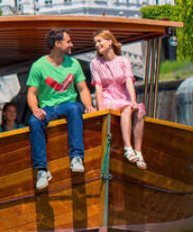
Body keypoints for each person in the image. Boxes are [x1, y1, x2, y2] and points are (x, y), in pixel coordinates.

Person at [27, 28, 94, 190]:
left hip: (67, 105)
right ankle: (42, 170)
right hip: (47, 107)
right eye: (68, 41)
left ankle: (76, 157)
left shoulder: (74, 64)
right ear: (57, 44)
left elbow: (83, 89)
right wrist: (35, 108)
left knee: (75, 108)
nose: (72, 45)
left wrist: (89, 106)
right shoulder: (39, 66)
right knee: (34, 121)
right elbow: (31, 93)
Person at [90, 30, 147, 170]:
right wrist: (100, 107)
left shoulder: (123, 60)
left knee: (139, 110)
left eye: (100, 41)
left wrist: (133, 100)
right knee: (127, 108)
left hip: (122, 96)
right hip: (107, 97)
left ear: (110, 41)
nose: (97, 45)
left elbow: (129, 82)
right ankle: (128, 147)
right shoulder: (95, 63)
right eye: (95, 43)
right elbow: (98, 87)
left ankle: (138, 152)